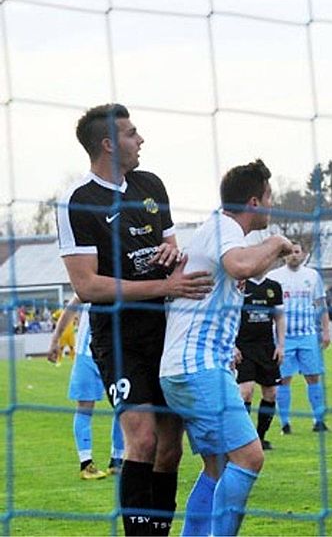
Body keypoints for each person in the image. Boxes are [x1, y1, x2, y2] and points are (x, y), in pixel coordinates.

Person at [57, 103, 213, 535]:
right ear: (108, 143)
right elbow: (87, 287)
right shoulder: (78, 201)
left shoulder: (150, 185)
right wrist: (165, 286)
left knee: (170, 449)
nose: (140, 140)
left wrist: (173, 258)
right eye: (132, 133)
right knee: (141, 440)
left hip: (166, 331)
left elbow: (173, 257)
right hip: (119, 338)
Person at [159, 159, 293, 536]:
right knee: (250, 458)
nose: (271, 205)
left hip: (188, 368)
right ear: (254, 201)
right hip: (196, 369)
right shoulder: (223, 228)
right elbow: (240, 267)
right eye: (269, 197)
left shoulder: (216, 230)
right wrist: (277, 243)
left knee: (217, 467)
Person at [48, 295, 125, 480]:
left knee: (123, 408)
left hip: (115, 356)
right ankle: (86, 463)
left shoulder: (126, 283)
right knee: (85, 408)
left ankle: (117, 461)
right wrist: (55, 339)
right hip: (87, 357)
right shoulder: (89, 285)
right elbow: (70, 309)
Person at [268, 241, 332, 434]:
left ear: (303, 254)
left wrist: (326, 330)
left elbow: (321, 305)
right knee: (284, 379)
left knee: (313, 377)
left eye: (297, 252)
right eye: (290, 252)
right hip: (283, 337)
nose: (293, 255)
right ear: (284, 255)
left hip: (307, 334)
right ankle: (285, 423)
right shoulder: (274, 277)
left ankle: (318, 420)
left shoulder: (312, 276)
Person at [234, 274, 285, 450]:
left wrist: (281, 345)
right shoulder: (240, 285)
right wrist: (232, 345)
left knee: (271, 393)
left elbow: (279, 318)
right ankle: (245, 439)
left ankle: (260, 437)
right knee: (246, 392)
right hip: (244, 347)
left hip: (267, 348)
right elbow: (229, 315)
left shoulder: (274, 286)